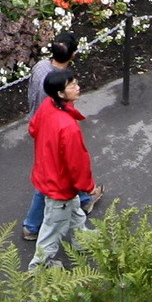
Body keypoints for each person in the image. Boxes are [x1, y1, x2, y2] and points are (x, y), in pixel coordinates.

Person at [28, 67, 95, 269]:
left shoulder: (48, 105)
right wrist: (87, 186)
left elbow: (33, 129)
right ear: (61, 93)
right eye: (72, 85)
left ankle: (81, 238)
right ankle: (39, 267)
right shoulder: (68, 127)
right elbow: (77, 162)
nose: (77, 87)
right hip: (60, 184)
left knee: (74, 210)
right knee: (52, 228)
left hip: (47, 172)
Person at [22, 34, 82, 243]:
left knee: (53, 170)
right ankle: (31, 225)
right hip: (51, 131)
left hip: (39, 125)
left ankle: (82, 197)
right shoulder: (61, 83)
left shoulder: (40, 67)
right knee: (52, 175)